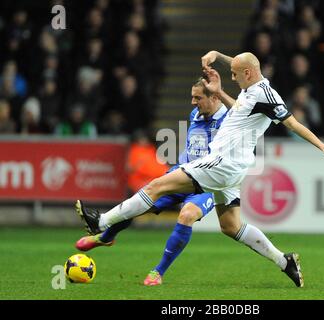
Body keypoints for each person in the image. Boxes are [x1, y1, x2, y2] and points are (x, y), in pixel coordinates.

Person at [76, 51, 324, 288]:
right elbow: (242, 104)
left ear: (247, 72)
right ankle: (284, 260)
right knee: (231, 226)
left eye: (234, 74)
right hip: (230, 168)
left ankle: (101, 222)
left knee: (156, 186)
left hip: (222, 163)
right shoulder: (250, 91)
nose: (231, 78)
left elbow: (292, 123)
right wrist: (219, 60)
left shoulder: (267, 95)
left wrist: (323, 147)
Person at [76, 77, 229, 286]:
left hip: (208, 184)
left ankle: (158, 272)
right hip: (183, 173)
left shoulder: (230, 119)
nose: (193, 102)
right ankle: (106, 236)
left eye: (197, 97)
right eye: (192, 97)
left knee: (187, 215)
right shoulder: (196, 113)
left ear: (214, 97)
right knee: (139, 204)